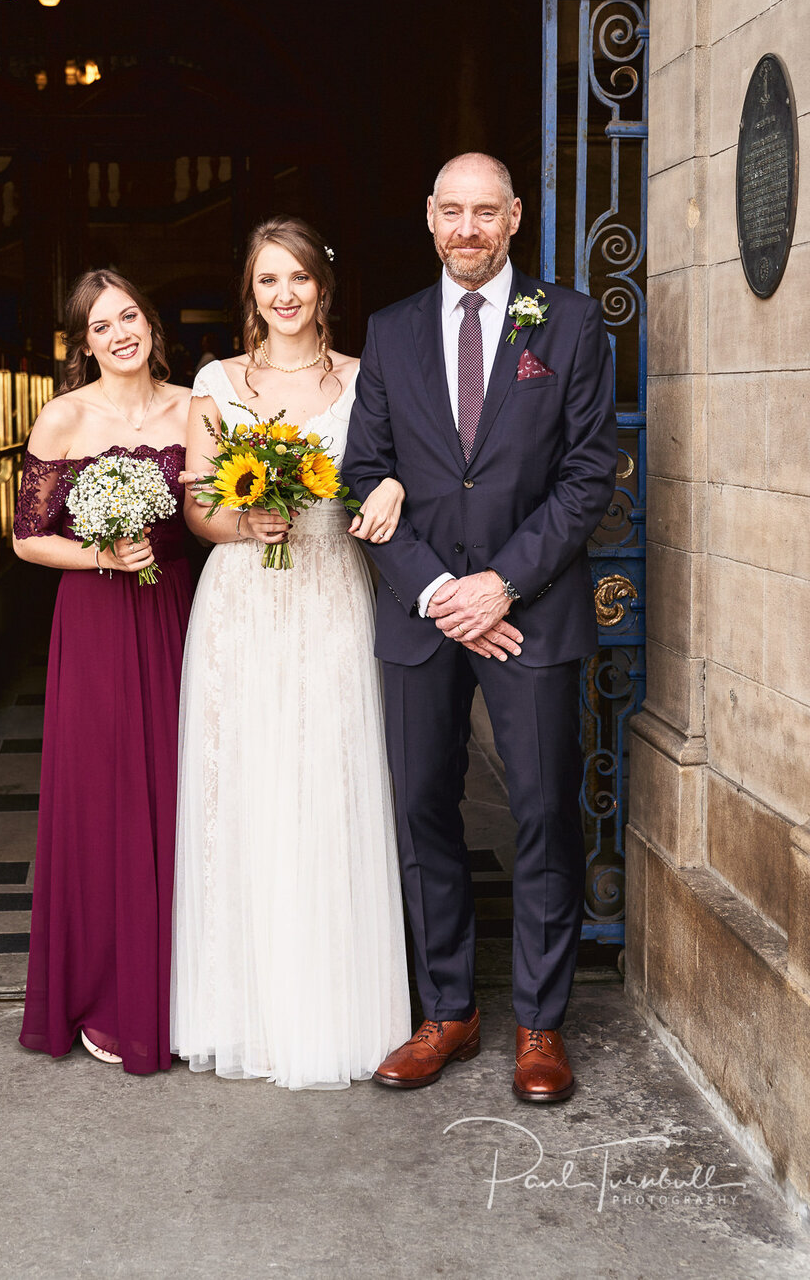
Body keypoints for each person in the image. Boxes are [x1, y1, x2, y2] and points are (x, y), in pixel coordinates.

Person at [343, 153, 617, 1102]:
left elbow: (589, 475)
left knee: (542, 812)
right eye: (450, 211)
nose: (467, 228)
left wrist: (500, 584)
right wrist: (437, 593)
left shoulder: (571, 322)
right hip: (421, 616)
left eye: (483, 212)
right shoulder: (389, 332)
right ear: (429, 219)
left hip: (529, 610)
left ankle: (541, 1025)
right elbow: (364, 474)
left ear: (513, 220)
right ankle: (447, 1013)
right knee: (424, 812)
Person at [172, 217, 411, 1090]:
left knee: (329, 784)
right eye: (268, 280)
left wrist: (383, 489)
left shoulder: (363, 378)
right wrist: (245, 519)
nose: (284, 295)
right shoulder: (215, 382)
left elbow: (394, 470)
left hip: (332, 594)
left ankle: (337, 1009)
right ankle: (246, 1011)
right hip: (242, 601)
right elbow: (198, 508)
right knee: (247, 792)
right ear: (251, 292)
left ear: (323, 289)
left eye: (299, 279)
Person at [14, 268, 192, 1075]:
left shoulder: (195, 405)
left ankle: (188, 987)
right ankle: (107, 988)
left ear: (149, 321)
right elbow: (26, 537)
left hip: (181, 614)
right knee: (105, 796)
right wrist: (101, 553)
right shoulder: (63, 417)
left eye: (129, 315)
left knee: (184, 790)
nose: (120, 333)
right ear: (83, 345)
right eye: (100, 326)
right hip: (94, 623)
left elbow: (212, 512)